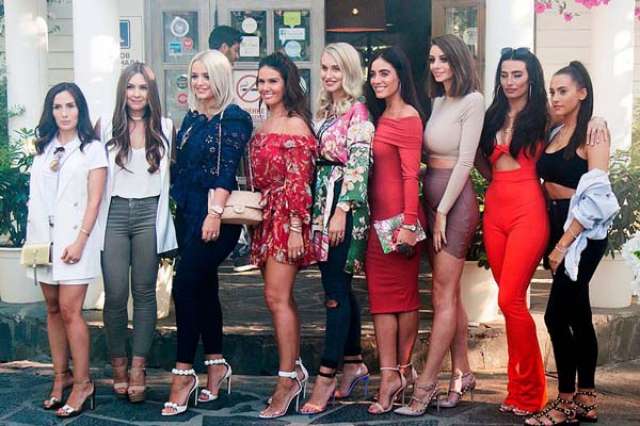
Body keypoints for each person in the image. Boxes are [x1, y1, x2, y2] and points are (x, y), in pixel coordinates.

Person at [395, 34, 484, 416]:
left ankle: (427, 384)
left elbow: (465, 162)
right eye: (432, 59)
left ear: (458, 60)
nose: (436, 66)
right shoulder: (437, 102)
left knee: (442, 295)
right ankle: (463, 373)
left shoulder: (473, 101)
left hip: (454, 205)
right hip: (432, 200)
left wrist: (444, 211)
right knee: (450, 294)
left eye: (443, 59)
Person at [526, 61, 618, 425]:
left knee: (555, 315)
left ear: (582, 92)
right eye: (552, 91)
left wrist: (563, 244)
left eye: (563, 90)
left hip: (580, 233)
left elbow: (597, 198)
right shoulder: (555, 130)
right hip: (556, 225)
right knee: (578, 314)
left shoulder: (593, 134)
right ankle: (586, 398)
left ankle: (564, 403)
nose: (555, 97)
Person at [162, 50, 253, 416]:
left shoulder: (234, 117)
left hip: (218, 216)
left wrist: (213, 214)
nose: (199, 83)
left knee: (185, 283)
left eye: (206, 76)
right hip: (188, 214)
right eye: (194, 76)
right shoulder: (193, 117)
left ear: (220, 78)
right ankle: (215, 364)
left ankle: (183, 373)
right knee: (203, 286)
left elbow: (225, 170)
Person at [300, 43, 374, 415]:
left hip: (342, 206)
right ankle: (354, 362)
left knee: (334, 294)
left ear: (350, 72)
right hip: (322, 204)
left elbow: (360, 164)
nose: (329, 75)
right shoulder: (326, 110)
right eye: (325, 67)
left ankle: (327, 376)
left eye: (337, 69)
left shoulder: (358, 112)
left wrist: (342, 210)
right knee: (339, 287)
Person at [26, 82, 107, 417]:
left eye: (70, 106)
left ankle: (83, 383)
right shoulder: (44, 148)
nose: (64, 113)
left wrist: (80, 241)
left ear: (80, 109)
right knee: (52, 309)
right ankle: (61, 377)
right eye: (58, 107)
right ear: (51, 111)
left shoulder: (92, 149)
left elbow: (94, 201)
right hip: (44, 240)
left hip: (76, 238)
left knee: (71, 310)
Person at [98, 62, 177, 403]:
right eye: (131, 87)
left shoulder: (166, 127)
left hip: (148, 213)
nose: (136, 94)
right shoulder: (105, 126)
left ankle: (137, 369)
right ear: (123, 90)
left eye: (143, 87)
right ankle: (118, 364)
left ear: (151, 92)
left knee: (145, 293)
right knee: (115, 294)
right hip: (114, 214)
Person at [250, 52, 317, 419]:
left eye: (272, 81)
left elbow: (299, 181)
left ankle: (287, 380)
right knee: (278, 298)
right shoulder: (264, 123)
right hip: (264, 217)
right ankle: (294, 370)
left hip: (286, 219)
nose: (266, 87)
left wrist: (294, 228)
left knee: (277, 297)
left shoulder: (295, 124)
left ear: (287, 83)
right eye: (261, 81)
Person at [363, 46, 426, 415]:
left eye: (384, 73)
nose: (377, 80)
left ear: (401, 74)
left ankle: (401, 371)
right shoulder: (380, 115)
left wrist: (408, 224)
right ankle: (390, 375)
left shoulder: (408, 117)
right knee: (381, 301)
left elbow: (410, 175)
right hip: (377, 223)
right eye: (373, 74)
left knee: (403, 299)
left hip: (400, 224)